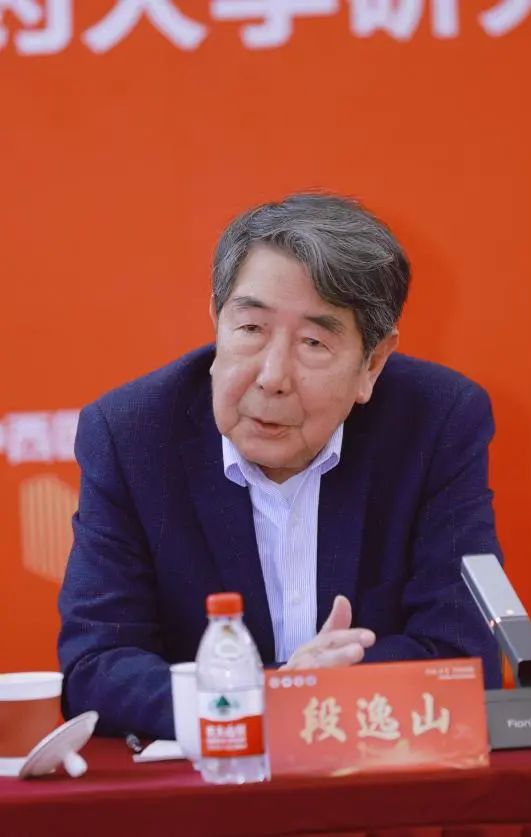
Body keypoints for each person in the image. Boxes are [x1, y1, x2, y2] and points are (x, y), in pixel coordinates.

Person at [58, 192, 502, 739]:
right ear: (217, 321)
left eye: (313, 341)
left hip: (373, 779)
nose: (272, 377)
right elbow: (96, 667)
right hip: (211, 785)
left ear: (373, 363)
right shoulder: (131, 435)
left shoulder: (436, 423)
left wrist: (308, 693)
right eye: (250, 329)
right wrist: (275, 694)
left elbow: (463, 657)